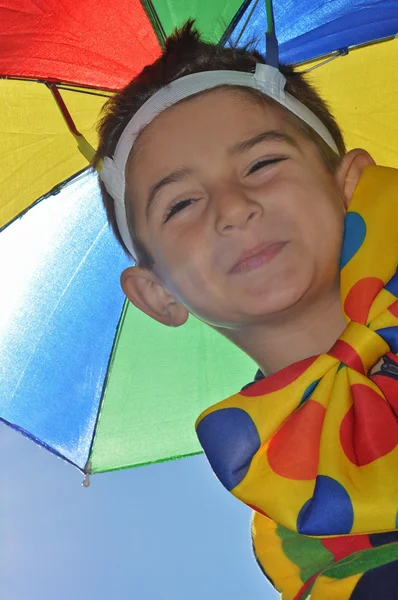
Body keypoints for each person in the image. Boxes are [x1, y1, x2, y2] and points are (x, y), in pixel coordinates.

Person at [93, 21, 398, 599]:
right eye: (180, 203)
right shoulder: (292, 525)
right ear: (156, 294)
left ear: (351, 181)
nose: (233, 208)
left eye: (261, 164)